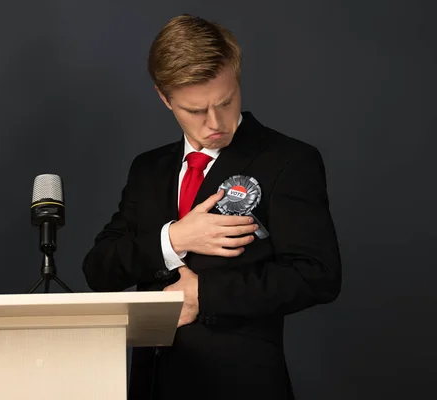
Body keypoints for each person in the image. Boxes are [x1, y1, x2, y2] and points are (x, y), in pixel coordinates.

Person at [81, 14, 342, 400]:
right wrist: (174, 238)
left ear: (237, 80)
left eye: (226, 101)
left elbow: (318, 275)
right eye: (195, 110)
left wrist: (205, 294)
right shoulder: (148, 169)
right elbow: (99, 269)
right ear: (164, 97)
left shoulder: (288, 160)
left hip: (241, 384)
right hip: (151, 385)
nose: (215, 122)